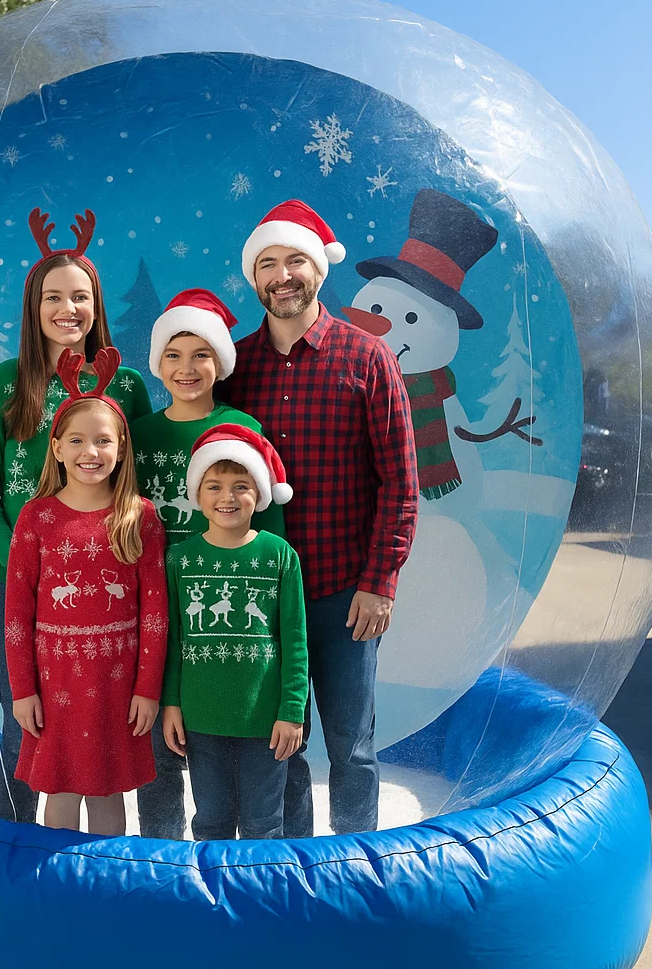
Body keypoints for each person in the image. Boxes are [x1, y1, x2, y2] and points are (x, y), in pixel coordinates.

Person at [220, 199, 419, 837]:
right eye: (269, 263)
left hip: (343, 595)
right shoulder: (235, 371)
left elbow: (401, 482)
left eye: (296, 261)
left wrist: (380, 582)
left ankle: (356, 871)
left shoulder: (368, 359)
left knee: (352, 748)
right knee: (284, 746)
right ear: (255, 279)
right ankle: (296, 867)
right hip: (263, 600)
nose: (283, 275)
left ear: (319, 271)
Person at [0, 207, 151, 823]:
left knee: (105, 722)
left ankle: (114, 858)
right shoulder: (5, 385)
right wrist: (24, 559)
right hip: (17, 585)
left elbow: (133, 486)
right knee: (25, 716)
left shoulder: (124, 389)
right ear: (33, 307)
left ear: (96, 304)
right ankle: (15, 846)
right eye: (53, 297)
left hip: (108, 590)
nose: (67, 309)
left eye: (80, 296)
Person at [131, 288, 286, 840]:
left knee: (239, 756)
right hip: (151, 610)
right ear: (157, 364)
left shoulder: (243, 426)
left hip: (223, 622)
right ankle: (163, 854)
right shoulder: (141, 436)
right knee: (157, 743)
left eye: (201, 354)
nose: (187, 367)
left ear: (220, 362)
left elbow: (270, 541)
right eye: (173, 355)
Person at [4, 347, 168, 835]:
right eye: (76, 440)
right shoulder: (37, 517)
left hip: (116, 683)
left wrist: (147, 690)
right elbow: (17, 613)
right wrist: (23, 690)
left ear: (121, 448)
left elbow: (155, 615)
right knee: (60, 787)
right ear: (56, 448)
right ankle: (59, 892)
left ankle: (107, 882)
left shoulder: (140, 517)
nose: (89, 452)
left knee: (108, 789)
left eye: (102, 441)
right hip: (54, 683)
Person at [161, 425, 307, 841]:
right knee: (211, 823)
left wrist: (292, 711)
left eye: (240, 486)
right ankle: (214, 905)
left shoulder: (280, 556)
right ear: (198, 495)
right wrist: (171, 704)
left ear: (259, 495)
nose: (227, 497)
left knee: (264, 826)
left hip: (266, 721)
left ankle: (263, 904)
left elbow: (295, 641)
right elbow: (173, 643)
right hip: (200, 719)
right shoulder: (179, 558)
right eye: (215, 486)